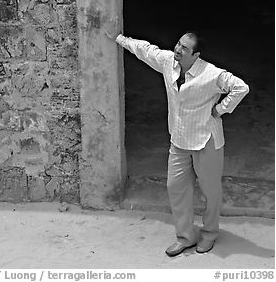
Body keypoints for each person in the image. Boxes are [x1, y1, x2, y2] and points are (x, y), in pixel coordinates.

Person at [106, 28, 249, 256]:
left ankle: (209, 235)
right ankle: (186, 237)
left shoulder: (211, 74)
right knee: (175, 189)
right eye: (178, 44)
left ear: (196, 54)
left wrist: (221, 109)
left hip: (206, 142)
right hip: (179, 140)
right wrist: (120, 38)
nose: (177, 49)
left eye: (184, 48)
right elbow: (146, 50)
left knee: (210, 192)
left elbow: (241, 87)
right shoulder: (168, 62)